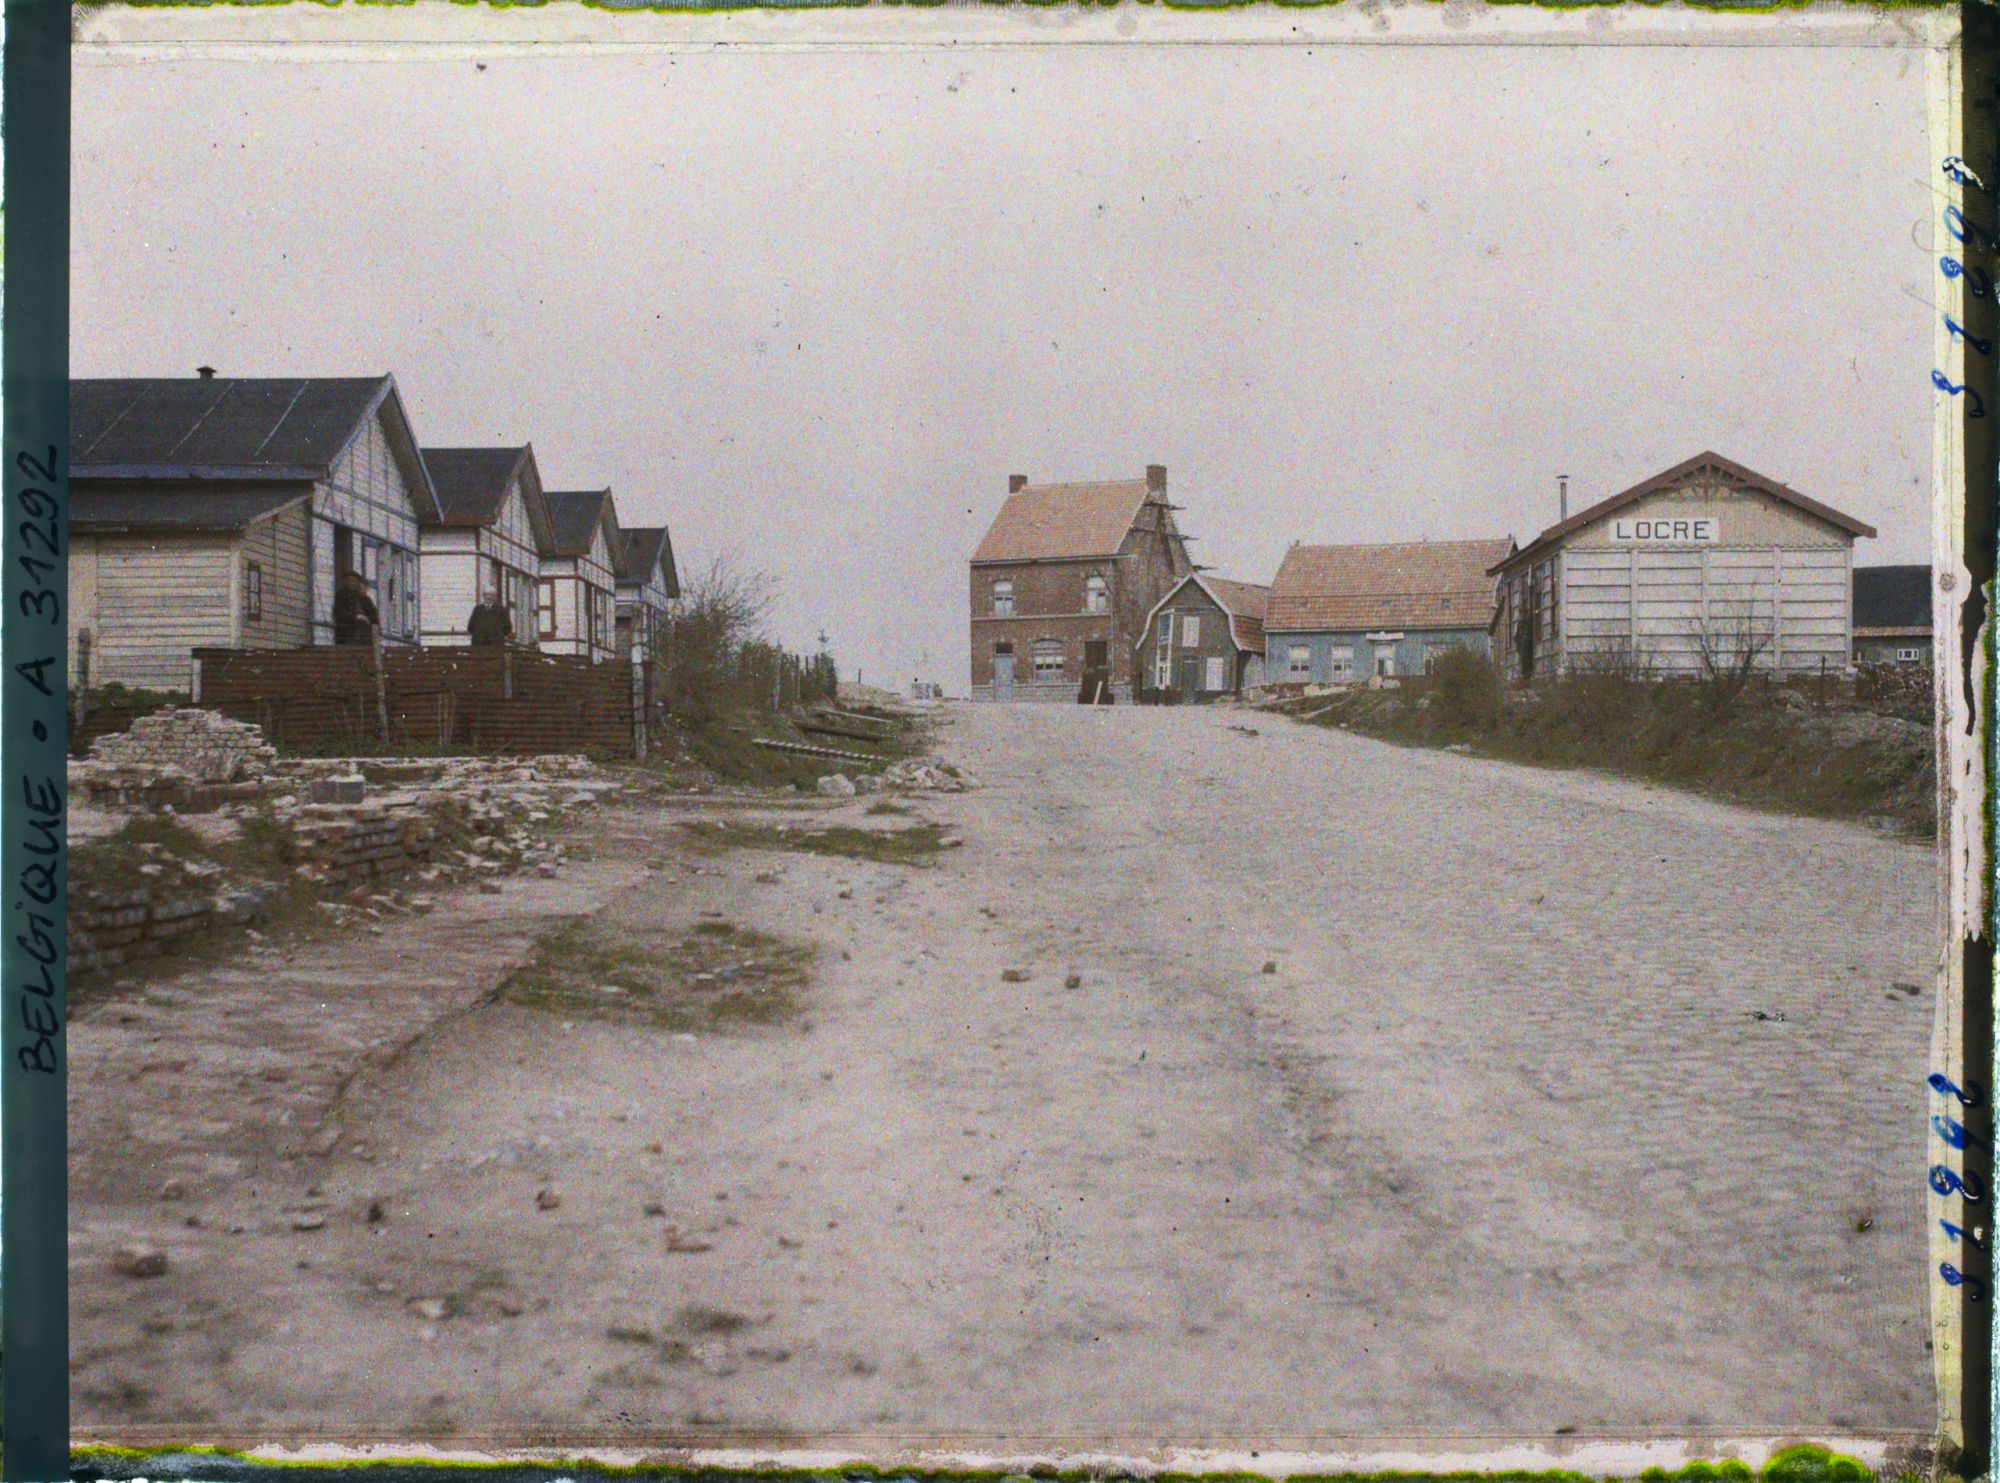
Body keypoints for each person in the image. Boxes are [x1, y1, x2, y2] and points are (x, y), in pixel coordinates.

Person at [333, 570, 379, 646]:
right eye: (349, 580)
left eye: (354, 581)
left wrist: (366, 619)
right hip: (346, 632)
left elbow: (373, 616)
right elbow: (339, 613)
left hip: (364, 633)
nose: (351, 583)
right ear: (345, 582)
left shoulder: (363, 598)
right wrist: (356, 617)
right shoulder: (340, 595)